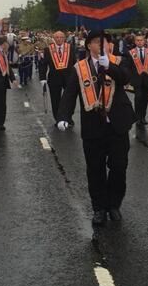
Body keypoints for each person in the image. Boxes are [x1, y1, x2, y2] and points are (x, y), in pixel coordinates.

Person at [57, 31, 136, 226]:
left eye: (105, 42)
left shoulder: (120, 61)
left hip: (117, 125)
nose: (102, 45)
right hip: (93, 127)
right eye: (97, 42)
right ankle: (99, 208)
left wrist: (109, 66)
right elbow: (70, 93)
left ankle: (114, 204)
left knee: (119, 167)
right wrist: (63, 116)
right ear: (89, 45)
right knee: (95, 170)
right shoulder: (80, 68)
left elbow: (125, 78)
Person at [39, 30, 76, 126]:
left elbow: (75, 63)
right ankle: (58, 119)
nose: (59, 39)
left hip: (69, 78)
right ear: (54, 38)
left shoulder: (71, 48)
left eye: (61, 37)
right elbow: (43, 65)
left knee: (69, 99)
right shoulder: (48, 50)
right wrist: (42, 78)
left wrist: (77, 76)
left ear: (64, 38)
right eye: (57, 37)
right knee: (55, 100)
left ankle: (68, 118)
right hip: (54, 79)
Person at [126, 31, 148, 127]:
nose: (139, 42)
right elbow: (128, 68)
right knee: (138, 98)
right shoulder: (130, 53)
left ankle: (143, 117)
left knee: (145, 99)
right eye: (138, 40)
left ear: (144, 41)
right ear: (135, 41)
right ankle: (138, 118)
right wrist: (127, 80)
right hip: (136, 80)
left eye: (141, 40)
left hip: (147, 80)